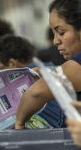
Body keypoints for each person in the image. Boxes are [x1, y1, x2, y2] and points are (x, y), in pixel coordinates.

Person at [15, 0, 81, 133]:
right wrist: (50, 72)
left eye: (61, 32)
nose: (56, 41)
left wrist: (19, 123)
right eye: (54, 33)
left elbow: (36, 94)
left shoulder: (76, 66)